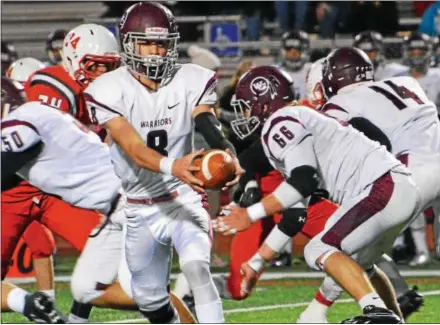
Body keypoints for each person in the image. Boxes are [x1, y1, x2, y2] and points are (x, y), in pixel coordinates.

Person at [214, 64, 421, 324]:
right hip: (394, 188)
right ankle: (393, 319)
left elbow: (305, 180)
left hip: (382, 187)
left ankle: (378, 314)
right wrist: (256, 262)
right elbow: (295, 215)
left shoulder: (279, 123)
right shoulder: (297, 119)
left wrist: (250, 214)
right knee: (360, 262)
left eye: (245, 106)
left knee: (319, 248)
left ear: (263, 103)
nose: (243, 115)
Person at [84, 2, 243, 323]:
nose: (155, 52)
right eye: (146, 42)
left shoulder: (190, 78)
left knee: (196, 266)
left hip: (182, 196)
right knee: (149, 297)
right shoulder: (108, 88)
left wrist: (227, 151)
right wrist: (174, 165)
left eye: (161, 43)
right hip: (139, 206)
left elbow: (206, 120)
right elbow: (132, 146)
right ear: (128, 44)